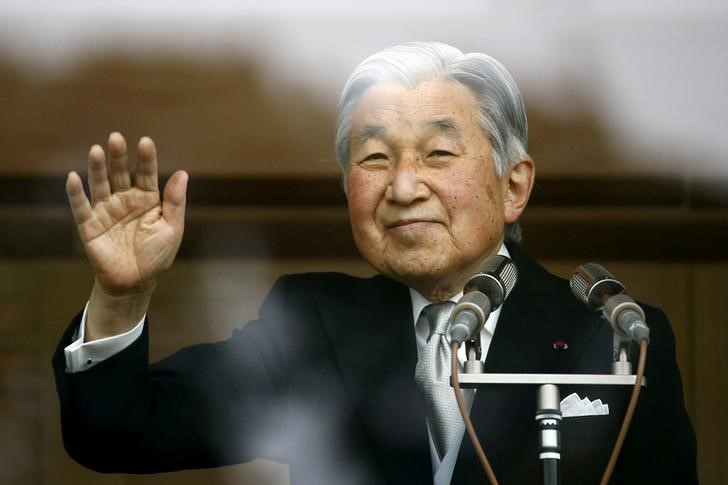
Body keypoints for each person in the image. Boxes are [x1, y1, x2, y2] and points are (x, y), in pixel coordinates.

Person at [53, 42, 697, 484]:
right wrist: (121, 295)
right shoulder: (313, 324)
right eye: (375, 158)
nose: (404, 186)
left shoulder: (614, 337)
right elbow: (119, 432)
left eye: (439, 154)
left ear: (514, 186)